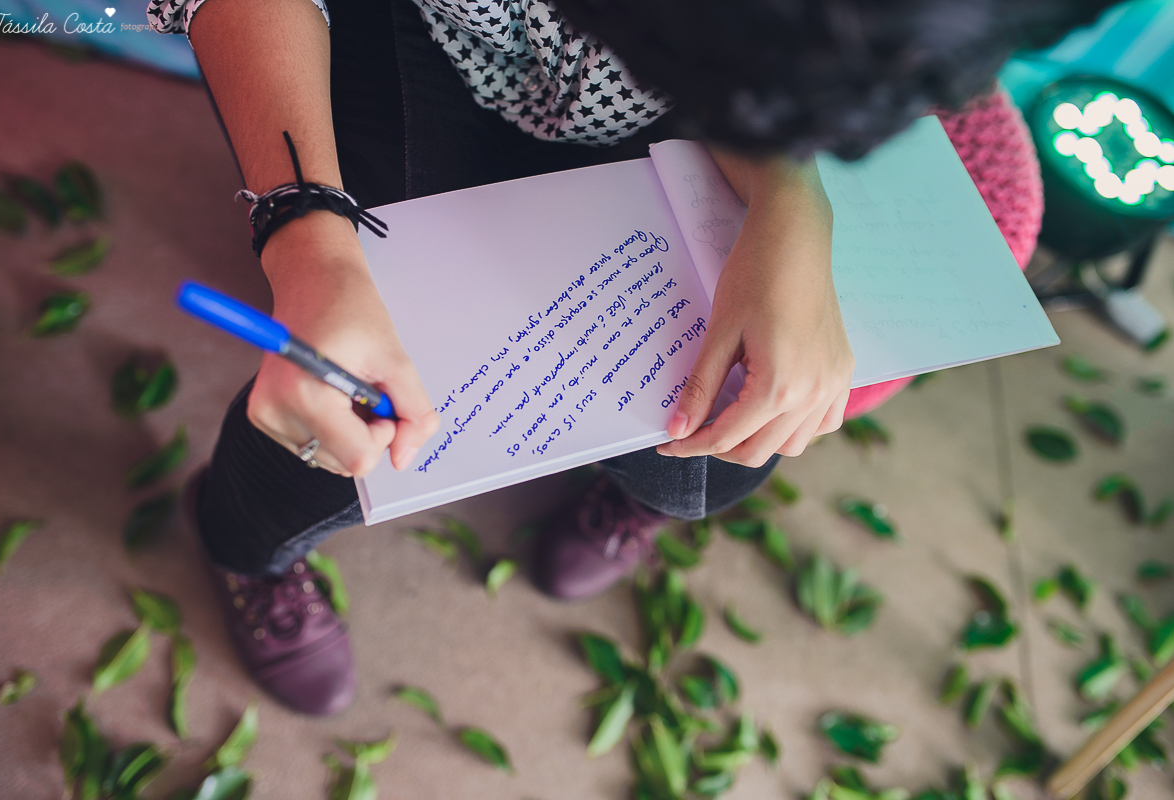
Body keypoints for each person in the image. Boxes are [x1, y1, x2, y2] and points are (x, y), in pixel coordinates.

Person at [148, 0, 1117, 715]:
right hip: (420, 39)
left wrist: (793, 205)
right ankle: (247, 546)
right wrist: (307, 232)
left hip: (675, 111)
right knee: (335, 434)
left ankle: (636, 484)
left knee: (709, 448)